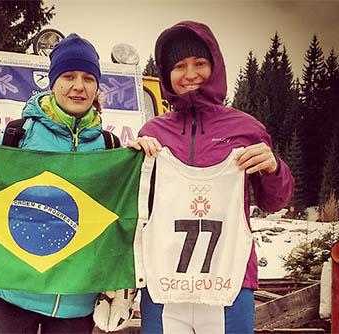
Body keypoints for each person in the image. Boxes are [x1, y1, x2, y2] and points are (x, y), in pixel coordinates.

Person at [0, 33, 121, 334]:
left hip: (75, 298)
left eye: (88, 78)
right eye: (68, 76)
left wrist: (147, 156)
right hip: (13, 292)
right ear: (53, 81)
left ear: (97, 86)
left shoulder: (110, 146)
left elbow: (124, 213)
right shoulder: (18, 134)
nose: (78, 86)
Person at [127, 21, 294, 333]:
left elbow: (275, 201)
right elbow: (136, 206)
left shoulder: (246, 129)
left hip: (228, 284)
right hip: (165, 285)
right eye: (179, 65)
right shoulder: (153, 132)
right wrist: (131, 160)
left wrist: (274, 168)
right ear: (167, 74)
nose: (190, 74)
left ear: (215, 66)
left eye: (200, 63)